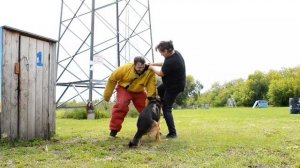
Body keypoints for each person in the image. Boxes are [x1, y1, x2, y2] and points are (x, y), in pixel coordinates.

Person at [103, 56, 157, 138]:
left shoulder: (149, 72)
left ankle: (154, 130)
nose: (141, 69)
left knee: (148, 109)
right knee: (121, 106)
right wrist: (107, 96)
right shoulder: (125, 68)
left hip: (139, 91)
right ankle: (113, 131)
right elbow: (112, 80)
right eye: (139, 67)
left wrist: (151, 98)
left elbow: (151, 85)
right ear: (134, 65)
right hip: (124, 89)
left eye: (142, 67)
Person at [148, 40, 186, 138]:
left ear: (166, 51)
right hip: (171, 84)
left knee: (167, 109)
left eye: (161, 52)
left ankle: (172, 133)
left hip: (174, 87)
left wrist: (152, 68)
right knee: (160, 89)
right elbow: (164, 63)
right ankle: (162, 103)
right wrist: (153, 64)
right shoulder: (174, 54)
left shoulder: (172, 61)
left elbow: (161, 73)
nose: (161, 54)